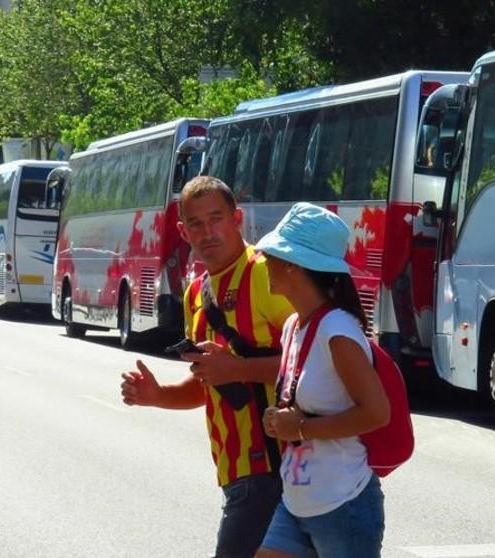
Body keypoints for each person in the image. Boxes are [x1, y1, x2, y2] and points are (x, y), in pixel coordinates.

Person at [119, 176, 294, 558]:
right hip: (236, 474)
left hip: (276, 468)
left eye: (216, 218)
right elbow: (207, 382)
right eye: (195, 223)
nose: (207, 231)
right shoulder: (196, 291)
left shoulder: (264, 273)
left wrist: (239, 369)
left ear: (237, 219)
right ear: (182, 231)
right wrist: (157, 395)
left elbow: (316, 361)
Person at [255, 203, 391, 558]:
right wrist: (283, 419)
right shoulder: (294, 326)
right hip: (298, 500)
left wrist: (299, 428)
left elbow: (377, 413)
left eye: (272, 253)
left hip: (342, 505)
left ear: (293, 264)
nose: (263, 258)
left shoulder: (338, 330)